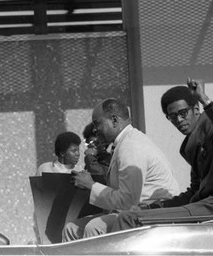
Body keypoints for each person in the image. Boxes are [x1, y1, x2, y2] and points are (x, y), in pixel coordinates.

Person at [111, 78, 213, 232]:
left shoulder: (211, 126)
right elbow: (194, 192)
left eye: (183, 113)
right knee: (134, 214)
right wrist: (153, 207)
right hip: (203, 207)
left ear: (196, 109)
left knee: (129, 219)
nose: (179, 120)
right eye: (173, 116)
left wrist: (205, 100)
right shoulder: (191, 143)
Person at [62, 98, 180, 241]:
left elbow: (127, 200)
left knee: (94, 228)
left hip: (151, 213)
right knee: (71, 229)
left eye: (97, 123)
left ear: (114, 120)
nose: (94, 129)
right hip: (134, 211)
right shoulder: (125, 142)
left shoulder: (131, 146)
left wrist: (91, 185)